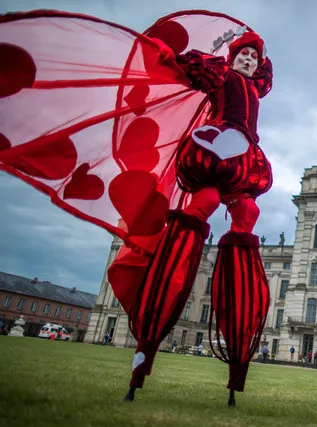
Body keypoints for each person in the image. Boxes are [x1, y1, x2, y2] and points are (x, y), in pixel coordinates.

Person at [0, 11, 272, 406]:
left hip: (245, 156)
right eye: (242, 55)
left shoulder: (255, 88)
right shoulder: (222, 76)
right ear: (231, 59)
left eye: (253, 57)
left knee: (247, 216)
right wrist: (164, 51)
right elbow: (186, 65)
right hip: (216, 152)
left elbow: (260, 80)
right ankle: (151, 328)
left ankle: (239, 347)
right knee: (207, 201)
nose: (248, 61)